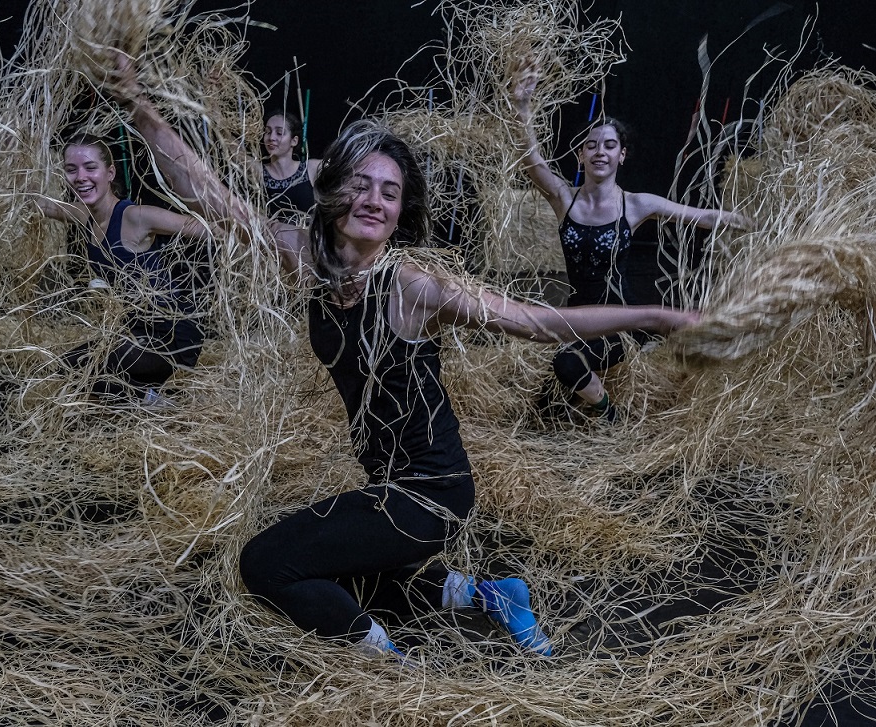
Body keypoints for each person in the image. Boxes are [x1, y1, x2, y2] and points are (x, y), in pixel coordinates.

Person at [110, 55, 698, 659]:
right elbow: (209, 195)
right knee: (344, 574)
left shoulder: (413, 285)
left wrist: (654, 316)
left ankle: (386, 665)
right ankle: (492, 595)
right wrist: (137, 104)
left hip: (432, 490)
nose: (374, 200)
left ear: (399, 213)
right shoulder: (305, 257)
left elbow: (538, 321)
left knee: (265, 564)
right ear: (334, 192)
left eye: (389, 193)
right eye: (361, 185)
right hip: (384, 481)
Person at [513, 73, 750, 421]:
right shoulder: (565, 199)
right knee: (544, 413)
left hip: (618, 326)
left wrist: (755, 222)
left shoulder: (636, 204)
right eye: (592, 145)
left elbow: (703, 217)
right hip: (575, 321)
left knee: (567, 364)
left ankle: (612, 417)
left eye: (609, 146)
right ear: (580, 155)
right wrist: (521, 105)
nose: (600, 152)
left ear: (621, 156)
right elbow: (531, 159)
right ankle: (584, 400)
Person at [36, 133, 215, 405]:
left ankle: (154, 397)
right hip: (134, 333)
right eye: (71, 169)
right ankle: (149, 398)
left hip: (170, 337)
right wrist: (19, 156)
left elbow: (207, 230)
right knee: (67, 367)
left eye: (90, 167)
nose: (81, 177)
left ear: (110, 173)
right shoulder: (84, 215)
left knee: (98, 364)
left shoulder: (135, 217)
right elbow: (41, 205)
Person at [260, 109, 322, 221]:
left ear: (294, 141)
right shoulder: (258, 171)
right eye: (268, 132)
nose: (271, 138)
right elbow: (233, 151)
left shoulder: (311, 168)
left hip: (308, 232)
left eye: (279, 133)